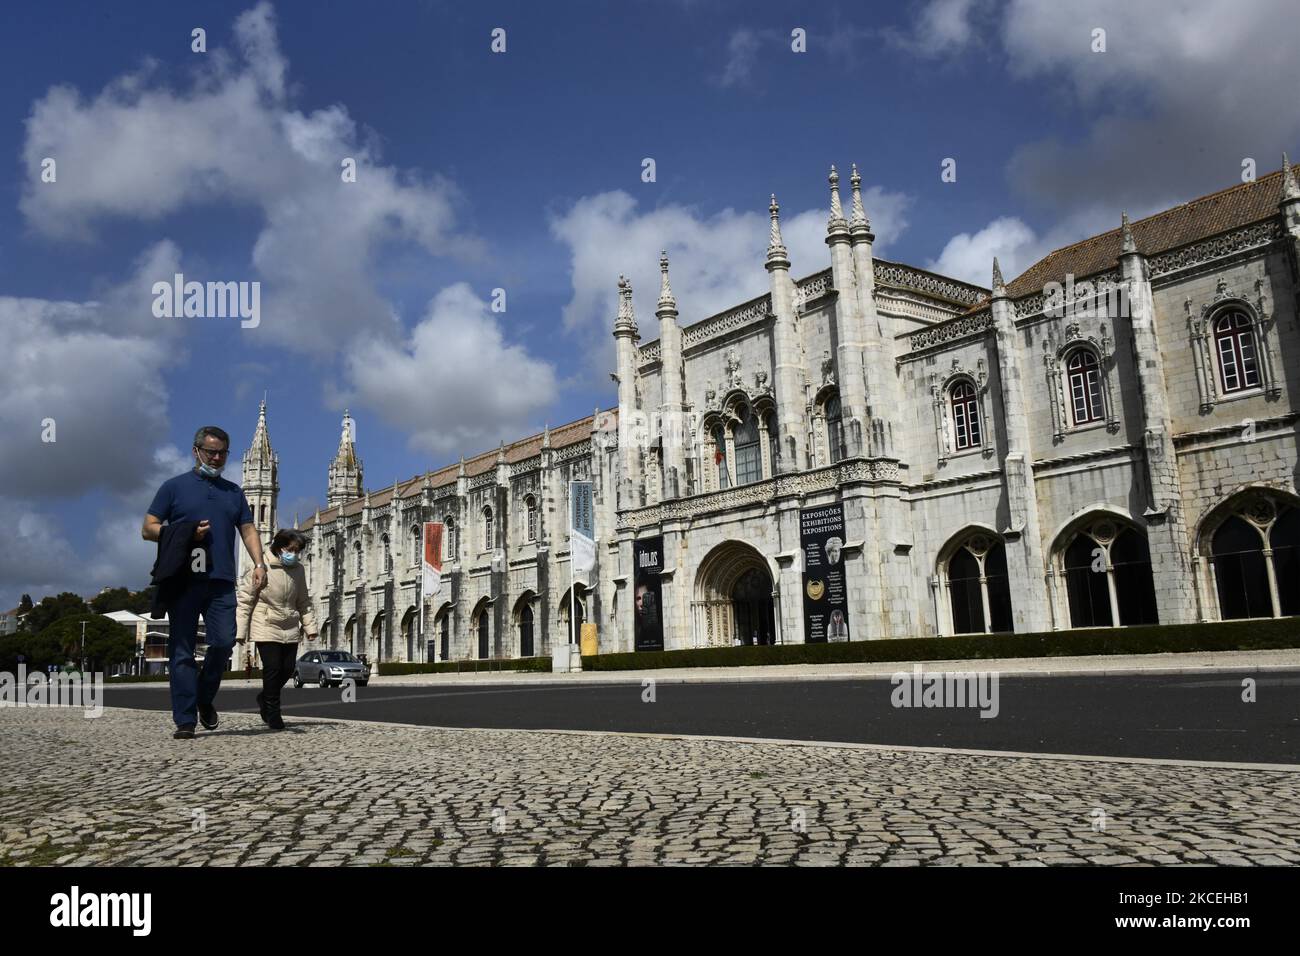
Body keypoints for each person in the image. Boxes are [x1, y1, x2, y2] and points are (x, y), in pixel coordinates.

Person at [143, 426, 267, 739]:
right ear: (196, 450)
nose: (216, 457)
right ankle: (185, 720)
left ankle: (203, 697)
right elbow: (148, 528)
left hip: (221, 581)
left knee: (225, 641)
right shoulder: (174, 487)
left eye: (222, 453)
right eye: (210, 451)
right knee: (182, 649)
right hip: (183, 581)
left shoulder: (233, 492)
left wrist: (259, 563)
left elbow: (248, 529)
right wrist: (183, 531)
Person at [237, 529, 318, 730]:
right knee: (273, 668)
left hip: (289, 623)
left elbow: (303, 601)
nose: (294, 554)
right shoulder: (259, 566)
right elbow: (246, 600)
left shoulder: (298, 569)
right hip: (265, 622)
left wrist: (310, 627)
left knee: (288, 668)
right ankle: (273, 712)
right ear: (279, 547)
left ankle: (264, 697)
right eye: (291, 549)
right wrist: (240, 631)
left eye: (298, 550)